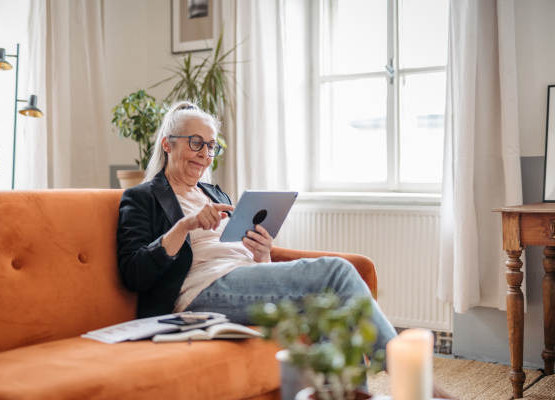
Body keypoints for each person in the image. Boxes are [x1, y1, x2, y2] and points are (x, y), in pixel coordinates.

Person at [116, 100, 459, 399]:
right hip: (198, 293)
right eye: (195, 143)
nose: (205, 154)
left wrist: (262, 253)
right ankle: (414, 379)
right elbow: (134, 272)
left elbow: (243, 258)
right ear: (167, 144)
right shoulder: (142, 197)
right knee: (336, 271)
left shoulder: (216, 194)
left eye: (211, 146)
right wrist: (185, 226)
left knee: (332, 315)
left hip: (240, 280)